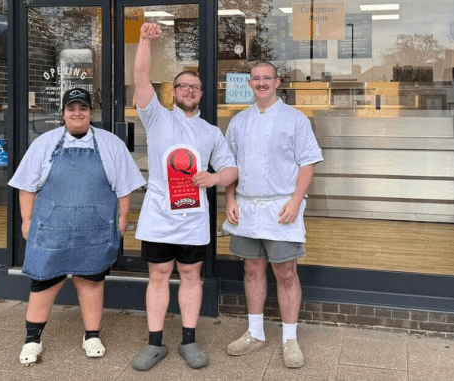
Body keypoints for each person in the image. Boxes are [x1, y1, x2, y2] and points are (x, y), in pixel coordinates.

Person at [9, 88, 146, 366]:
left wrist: (121, 220)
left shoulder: (110, 144)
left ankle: (92, 335)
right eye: (71, 108)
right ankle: (32, 339)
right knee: (43, 283)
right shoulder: (45, 143)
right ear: (63, 113)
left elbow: (125, 187)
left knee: (91, 281)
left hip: (94, 228)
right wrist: (26, 220)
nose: (77, 113)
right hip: (52, 227)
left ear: (90, 112)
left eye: (82, 108)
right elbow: (26, 185)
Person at [131, 22, 238, 371]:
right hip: (160, 214)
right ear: (173, 92)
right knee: (159, 275)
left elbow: (231, 170)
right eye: (183, 86)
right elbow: (142, 80)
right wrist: (145, 42)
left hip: (193, 217)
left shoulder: (210, 132)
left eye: (195, 87)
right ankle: (155, 343)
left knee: (191, 275)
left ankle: (189, 342)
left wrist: (213, 177)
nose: (190, 90)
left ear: (202, 94)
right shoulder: (157, 118)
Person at [222, 61, 323, 369]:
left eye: (267, 78)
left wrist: (296, 201)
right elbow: (230, 167)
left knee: (286, 272)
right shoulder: (239, 122)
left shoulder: (296, 120)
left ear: (277, 82)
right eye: (256, 78)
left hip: (282, 208)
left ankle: (289, 338)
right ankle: (255, 332)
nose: (262, 82)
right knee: (252, 269)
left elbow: (308, 163)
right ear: (249, 83)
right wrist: (229, 199)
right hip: (247, 208)